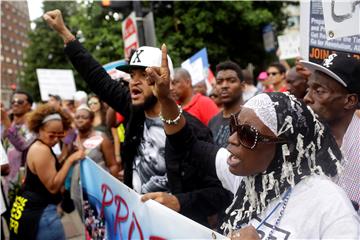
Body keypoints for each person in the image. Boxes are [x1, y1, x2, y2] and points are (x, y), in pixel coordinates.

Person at [143, 45, 359, 238]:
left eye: (247, 134)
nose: (231, 139)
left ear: (283, 146)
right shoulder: (248, 175)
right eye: (233, 127)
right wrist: (165, 99)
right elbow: (187, 145)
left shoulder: (330, 203)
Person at [43, 9, 231, 227]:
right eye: (132, 75)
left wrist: (178, 202)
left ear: (166, 80)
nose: (135, 81)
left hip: (176, 229)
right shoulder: (135, 112)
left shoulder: (192, 129)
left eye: (145, 75)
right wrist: (65, 33)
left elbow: (221, 193)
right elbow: (98, 79)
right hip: (138, 225)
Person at [8, 104, 85, 240]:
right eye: (51, 135)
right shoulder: (41, 150)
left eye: (59, 135)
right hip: (41, 216)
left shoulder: (40, 145)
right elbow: (53, 186)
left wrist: (67, 154)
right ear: (40, 130)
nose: (56, 140)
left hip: (29, 210)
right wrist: (71, 160)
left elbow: (51, 169)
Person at [301, 53, 360, 213]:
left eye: (319, 91)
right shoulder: (299, 139)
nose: (307, 98)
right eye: (309, 89)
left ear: (350, 101)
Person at [1, 90, 35, 202]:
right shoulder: (7, 122)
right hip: (4, 179)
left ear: (29, 105)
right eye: (13, 101)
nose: (15, 103)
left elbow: (22, 145)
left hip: (20, 181)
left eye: (20, 101)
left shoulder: (32, 126)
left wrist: (7, 122)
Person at [208, 61, 244, 148]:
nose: (224, 86)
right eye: (219, 82)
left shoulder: (250, 118)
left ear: (242, 86)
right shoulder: (212, 121)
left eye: (231, 81)